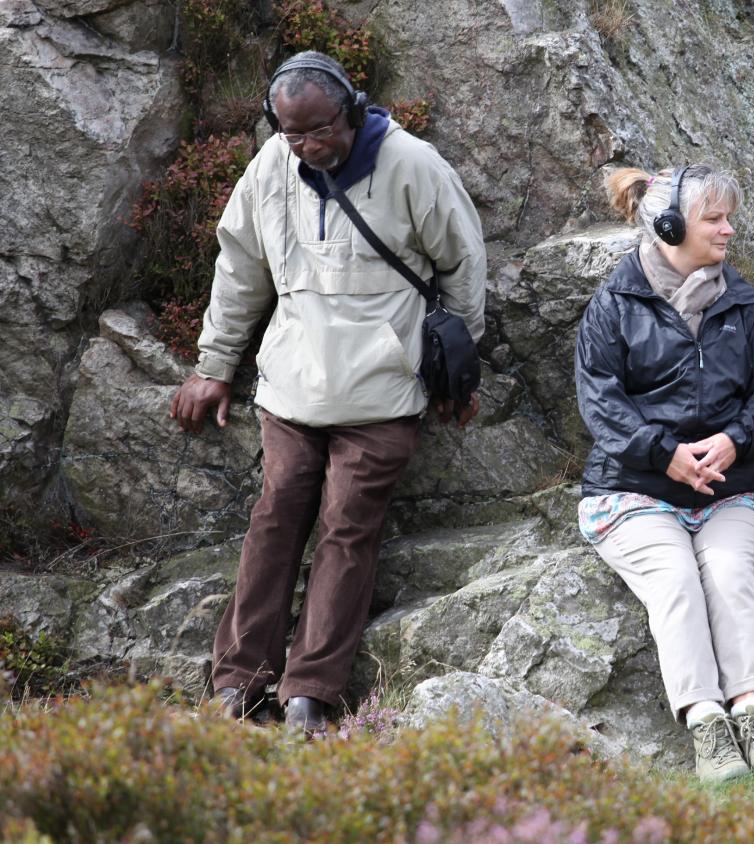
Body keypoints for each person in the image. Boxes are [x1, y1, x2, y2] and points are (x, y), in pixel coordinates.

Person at [169, 51, 487, 735]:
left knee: (348, 525)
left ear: (353, 109)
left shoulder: (414, 167)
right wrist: (215, 365)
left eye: (320, 131)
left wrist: (458, 371)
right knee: (276, 514)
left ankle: (310, 691)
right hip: (290, 386)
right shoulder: (272, 167)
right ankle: (239, 680)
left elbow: (463, 266)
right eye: (293, 134)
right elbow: (241, 268)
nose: (309, 147)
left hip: (383, 392)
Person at [574, 164, 754, 782]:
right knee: (675, 578)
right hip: (631, 491)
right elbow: (600, 401)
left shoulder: (745, 304)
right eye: (715, 219)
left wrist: (735, 440)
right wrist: (661, 452)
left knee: (727, 573)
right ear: (671, 225)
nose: (730, 230)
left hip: (727, 491)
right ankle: (707, 727)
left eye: (730, 216)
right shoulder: (613, 305)